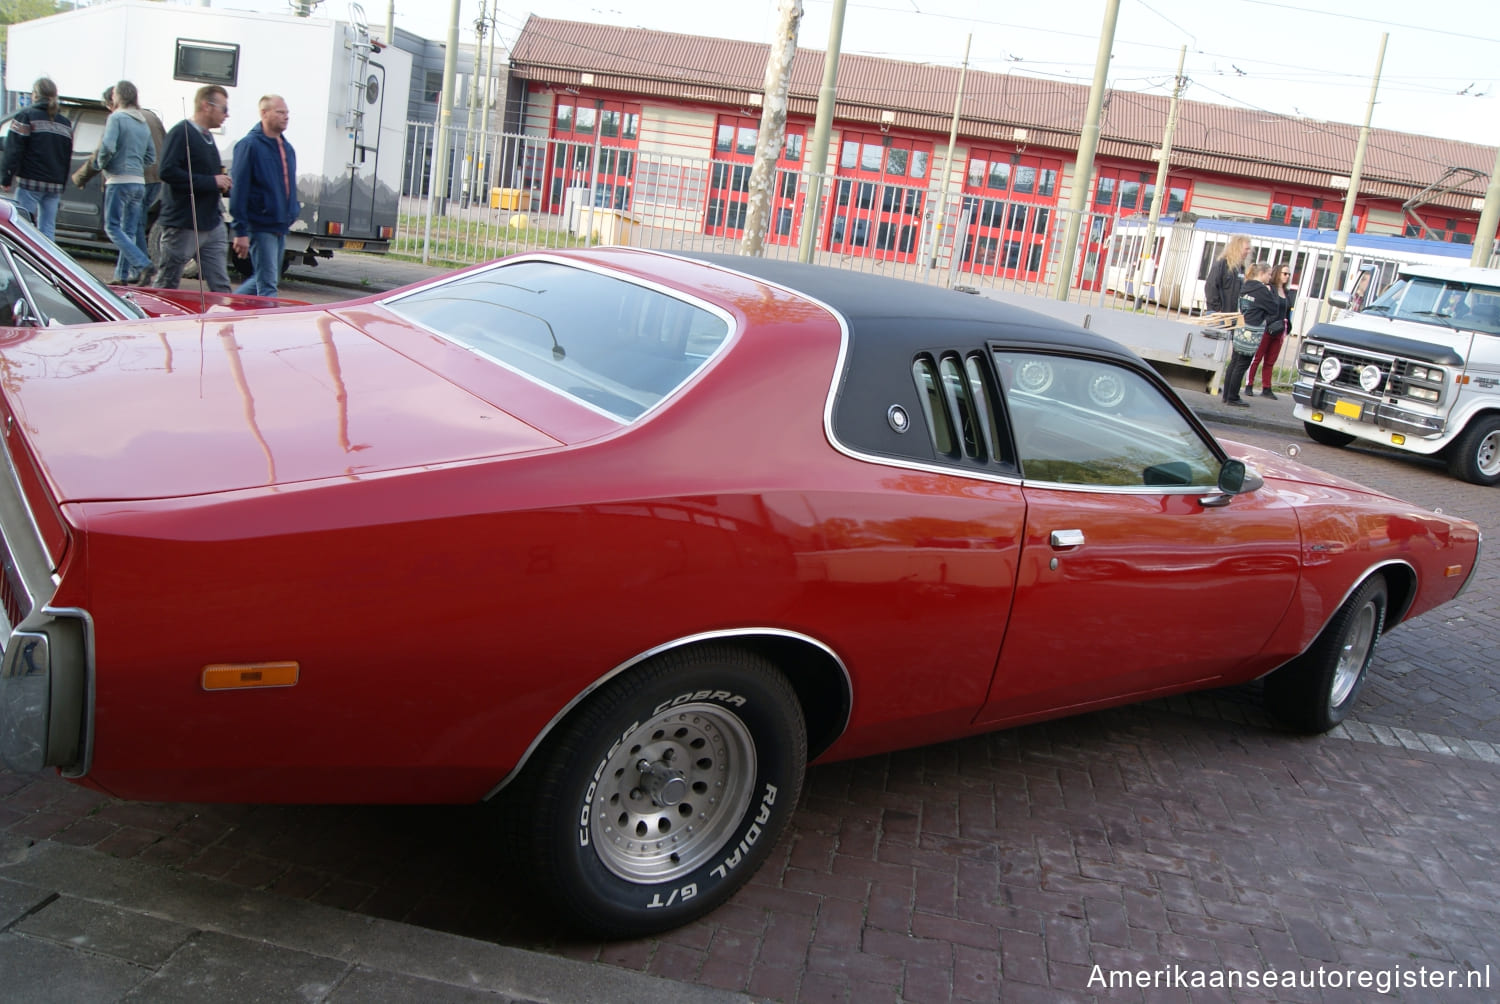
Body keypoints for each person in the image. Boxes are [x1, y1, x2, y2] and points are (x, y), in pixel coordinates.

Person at [156, 85, 233, 292]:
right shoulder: (181, 133)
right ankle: (155, 322)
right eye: (224, 109)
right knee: (168, 282)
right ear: (206, 105)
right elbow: (167, 171)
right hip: (184, 223)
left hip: (210, 222)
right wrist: (212, 182)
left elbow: (209, 175)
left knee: (221, 285)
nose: (227, 115)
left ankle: (225, 323)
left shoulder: (207, 137)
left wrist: (223, 184)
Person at [229, 95, 298, 297]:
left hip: (280, 224)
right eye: (280, 112)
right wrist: (240, 230)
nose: (286, 117)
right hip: (260, 225)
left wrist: (292, 211)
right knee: (268, 286)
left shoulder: (287, 148)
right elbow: (239, 189)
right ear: (264, 113)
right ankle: (270, 325)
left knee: (266, 279)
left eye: (287, 113)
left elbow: (288, 185)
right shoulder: (249, 145)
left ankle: (228, 307)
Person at [91, 81, 157, 286]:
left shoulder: (116, 118)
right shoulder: (142, 121)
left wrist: (103, 165)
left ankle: (142, 263)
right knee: (128, 230)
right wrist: (137, 166)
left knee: (112, 227)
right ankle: (121, 275)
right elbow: (151, 156)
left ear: (117, 97)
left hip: (118, 180)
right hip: (139, 181)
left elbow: (108, 147)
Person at [1, 78, 75, 239]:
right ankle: (48, 259)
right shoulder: (65, 123)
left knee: (23, 225)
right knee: (48, 228)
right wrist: (61, 183)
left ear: (35, 95)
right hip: (54, 185)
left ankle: (25, 259)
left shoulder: (26, 116)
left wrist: (6, 178)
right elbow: (66, 155)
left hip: (30, 182)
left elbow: (14, 149)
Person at [1224, 263, 1274, 407]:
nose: (1270, 277)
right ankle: (1233, 397)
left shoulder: (1246, 285)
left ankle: (1227, 395)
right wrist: (1270, 292)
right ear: (1262, 273)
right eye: (1269, 274)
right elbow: (1273, 309)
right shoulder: (1262, 291)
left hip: (1241, 326)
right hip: (1252, 330)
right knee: (1242, 364)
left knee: (1234, 361)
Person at [1245, 261, 1296, 399]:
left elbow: (1287, 311)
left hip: (1279, 331)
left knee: (1270, 361)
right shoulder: (1269, 289)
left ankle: (1266, 387)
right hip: (1267, 329)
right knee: (1257, 357)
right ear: (1277, 273)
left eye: (1289, 274)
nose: (1287, 276)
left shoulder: (1286, 293)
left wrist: (1287, 327)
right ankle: (1249, 384)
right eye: (1284, 273)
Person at [1204, 234, 1250, 317]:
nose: (1248, 252)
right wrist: (1216, 309)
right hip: (1219, 314)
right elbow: (1210, 286)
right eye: (1246, 249)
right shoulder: (1222, 265)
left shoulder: (1241, 268)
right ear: (1237, 248)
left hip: (1231, 314)